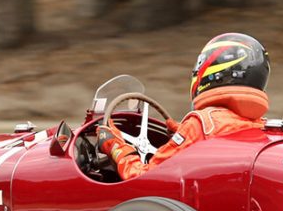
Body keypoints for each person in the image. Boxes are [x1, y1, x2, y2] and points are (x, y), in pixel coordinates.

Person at [97, 33, 271, 180]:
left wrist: (116, 147)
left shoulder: (200, 125)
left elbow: (145, 178)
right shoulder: (261, 125)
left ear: (212, 74)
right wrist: (182, 133)